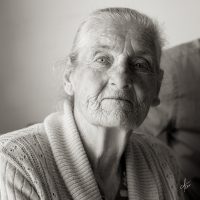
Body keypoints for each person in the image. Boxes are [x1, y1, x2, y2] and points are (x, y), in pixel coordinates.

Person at [0, 7, 184, 200]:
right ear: (69, 77)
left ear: (157, 87)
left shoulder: (164, 162)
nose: (121, 80)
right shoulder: (12, 164)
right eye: (102, 59)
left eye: (140, 65)